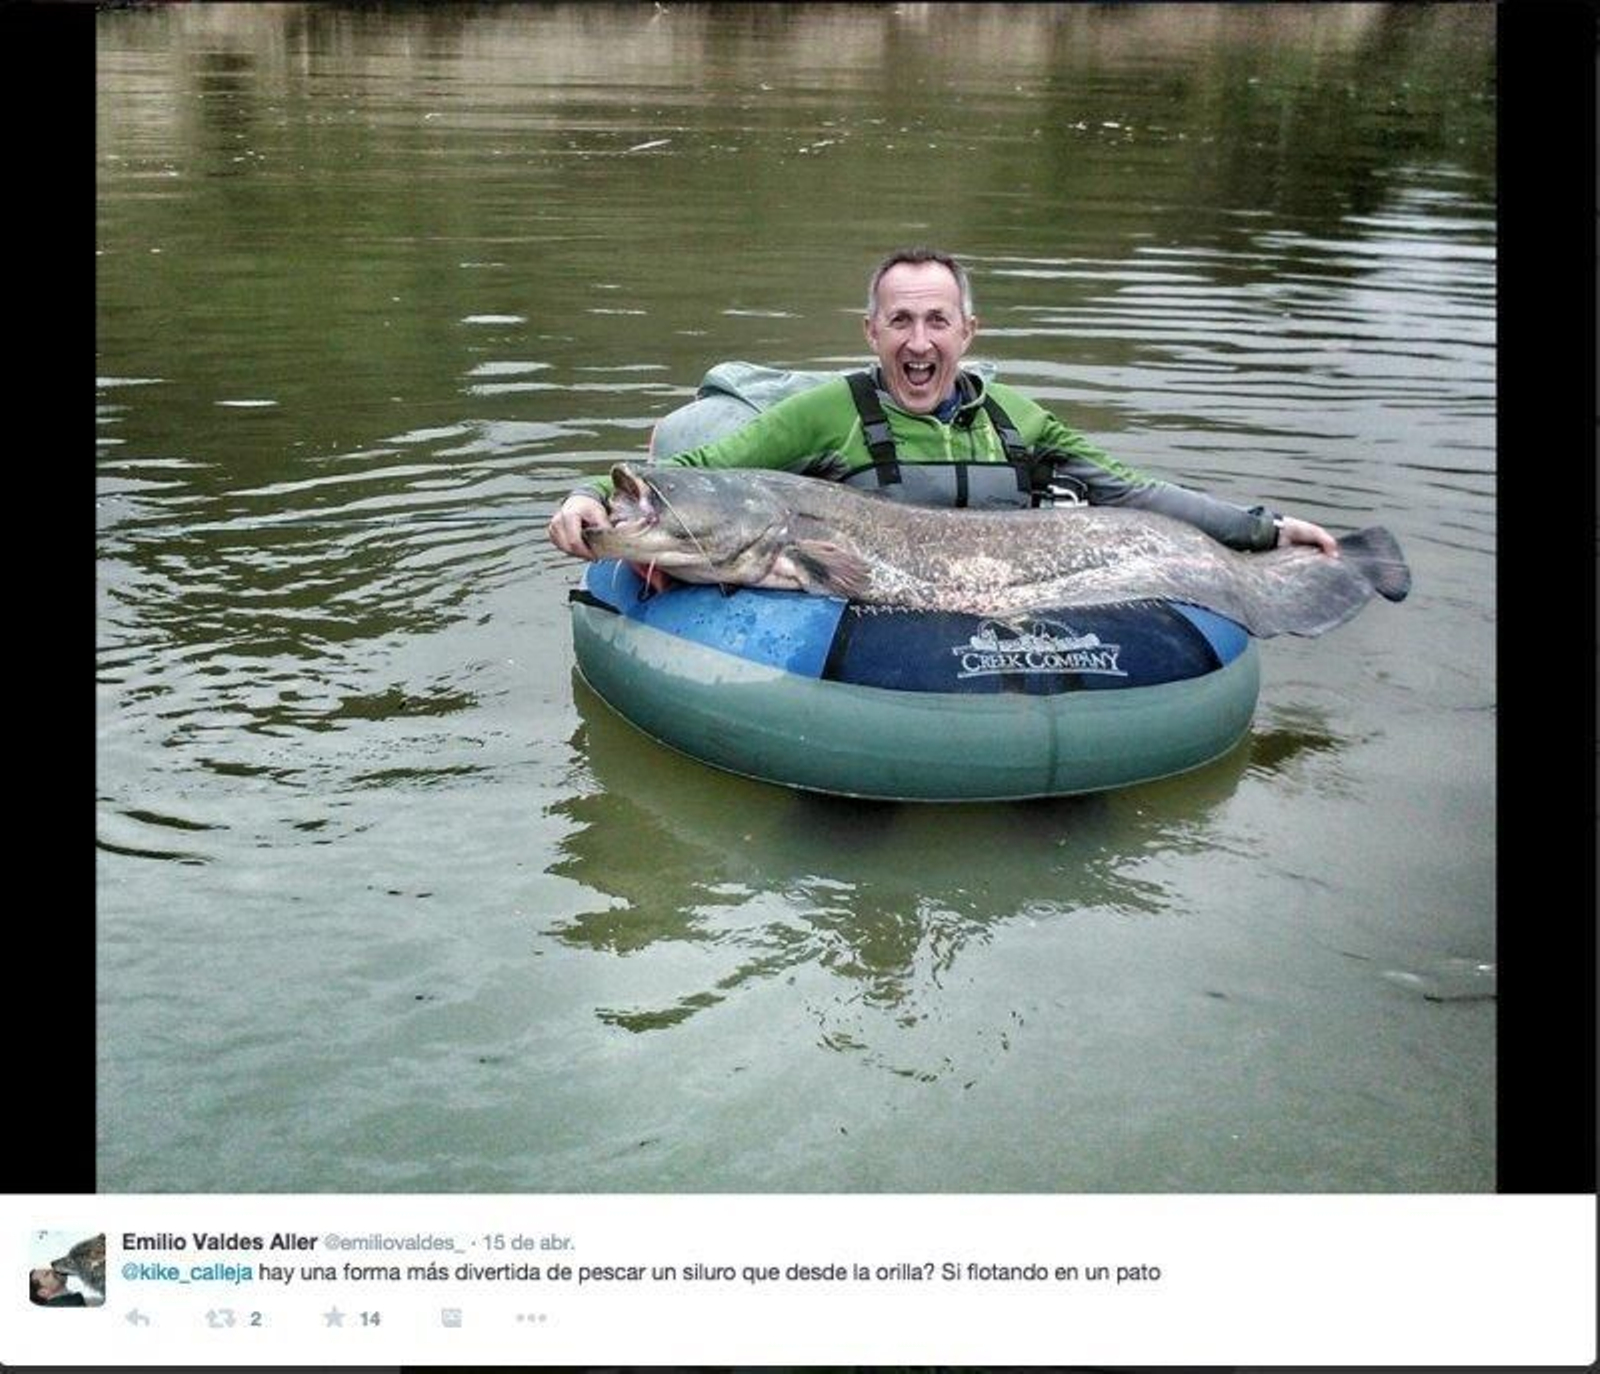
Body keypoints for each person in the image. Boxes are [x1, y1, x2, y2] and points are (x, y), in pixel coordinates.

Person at [548, 246, 1337, 561]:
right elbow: (698, 470)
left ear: (967, 331)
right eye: (899, 321)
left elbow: (1131, 490)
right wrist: (588, 493)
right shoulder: (825, 414)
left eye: (936, 321)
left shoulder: (1022, 421)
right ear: (872, 331)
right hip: (863, 609)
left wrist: (1262, 528)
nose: (918, 341)